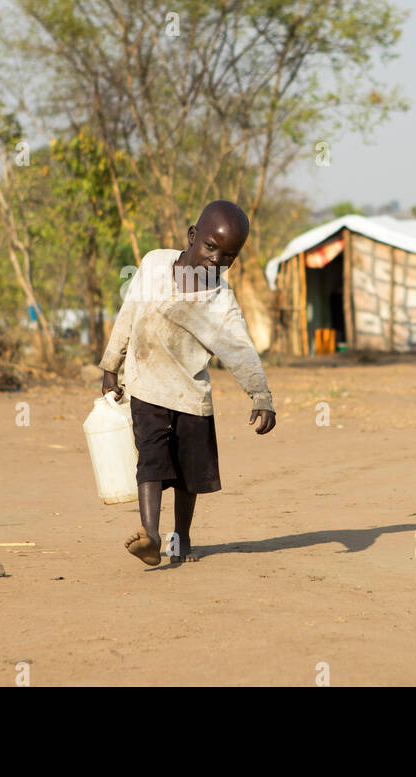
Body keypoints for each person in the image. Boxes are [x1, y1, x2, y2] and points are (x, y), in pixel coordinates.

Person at [99, 200, 277, 566]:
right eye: (210, 247)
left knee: (187, 472)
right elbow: (128, 313)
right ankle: (150, 534)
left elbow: (240, 350)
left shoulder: (220, 301)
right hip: (145, 384)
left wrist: (261, 395)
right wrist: (110, 366)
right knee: (150, 459)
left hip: (191, 395)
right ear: (193, 236)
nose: (216, 261)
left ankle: (181, 536)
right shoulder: (152, 265)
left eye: (228, 256)